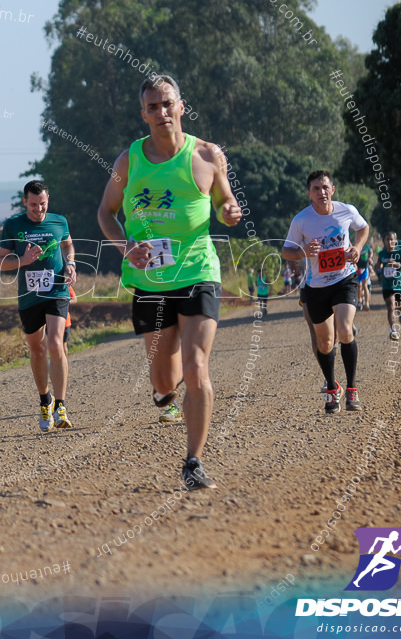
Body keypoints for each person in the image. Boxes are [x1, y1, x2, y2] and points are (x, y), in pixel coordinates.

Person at [97, 74, 242, 490]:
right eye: (153, 107)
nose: (162, 113)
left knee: (197, 367)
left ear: (181, 106)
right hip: (150, 278)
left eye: (168, 104)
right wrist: (126, 247)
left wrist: (229, 210)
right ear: (144, 114)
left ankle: (193, 461)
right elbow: (106, 212)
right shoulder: (130, 161)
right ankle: (165, 396)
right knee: (164, 379)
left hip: (198, 273)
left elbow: (223, 202)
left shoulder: (207, 154)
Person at [282, 170, 369, 414]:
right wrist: (302, 252)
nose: (322, 192)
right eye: (316, 188)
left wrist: (358, 248)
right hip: (317, 287)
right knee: (325, 341)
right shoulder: (301, 220)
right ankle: (333, 388)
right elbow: (286, 251)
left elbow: (363, 228)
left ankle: (352, 389)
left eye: (325, 187)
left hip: (345, 279)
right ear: (309, 193)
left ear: (332, 189)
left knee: (344, 330)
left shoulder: (347, 210)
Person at [0, 180, 77, 432]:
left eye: (42, 204)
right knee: (37, 349)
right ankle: (45, 400)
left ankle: (61, 404)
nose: (39, 209)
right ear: (24, 202)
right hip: (29, 297)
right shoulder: (13, 225)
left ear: (48, 200)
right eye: (33, 205)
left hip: (57, 290)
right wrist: (22, 259)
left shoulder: (59, 221)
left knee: (55, 343)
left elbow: (68, 245)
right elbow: (1, 263)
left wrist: (71, 264)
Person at [375, 231, 401, 341]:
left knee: (399, 307)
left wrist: (398, 265)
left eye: (391, 240)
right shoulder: (382, 253)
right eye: (387, 240)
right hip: (387, 285)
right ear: (384, 241)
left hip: (399, 285)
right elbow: (378, 265)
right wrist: (378, 266)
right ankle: (393, 330)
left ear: (396, 241)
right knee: (391, 307)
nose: (389, 242)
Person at [357, 240, 373, 311]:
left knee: (365, 285)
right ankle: (359, 301)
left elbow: (371, 252)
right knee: (359, 286)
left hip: (365, 268)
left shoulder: (367, 247)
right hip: (357, 269)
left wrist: (370, 257)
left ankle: (367, 303)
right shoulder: (356, 246)